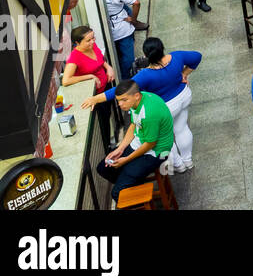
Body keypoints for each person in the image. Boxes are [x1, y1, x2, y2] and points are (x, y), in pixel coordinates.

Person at [83, 38, 201, 174]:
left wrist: (95, 99)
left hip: (166, 106)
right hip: (184, 96)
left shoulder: (145, 75)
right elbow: (197, 56)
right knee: (181, 128)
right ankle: (188, 161)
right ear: (162, 48)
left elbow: (122, 90)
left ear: (146, 55)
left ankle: (179, 166)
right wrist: (184, 74)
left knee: (166, 137)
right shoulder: (177, 56)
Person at [97, 81, 174, 197]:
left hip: (157, 152)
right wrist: (120, 149)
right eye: (118, 100)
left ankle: (130, 188)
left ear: (136, 96)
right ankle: (133, 186)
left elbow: (150, 144)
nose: (120, 104)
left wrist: (126, 159)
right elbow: (134, 124)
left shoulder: (149, 113)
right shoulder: (135, 101)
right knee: (103, 168)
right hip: (141, 143)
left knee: (117, 194)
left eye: (123, 100)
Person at [103, 0, 143, 80]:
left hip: (105, 31)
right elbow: (136, 2)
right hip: (122, 29)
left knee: (115, 56)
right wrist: (134, 20)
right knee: (127, 58)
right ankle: (126, 79)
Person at [62, 24, 116, 94]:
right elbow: (65, 81)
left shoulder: (92, 45)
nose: (92, 41)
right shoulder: (74, 57)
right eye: (88, 40)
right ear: (77, 43)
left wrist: (108, 68)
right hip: (94, 93)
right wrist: (89, 76)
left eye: (93, 38)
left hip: (106, 86)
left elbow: (100, 60)